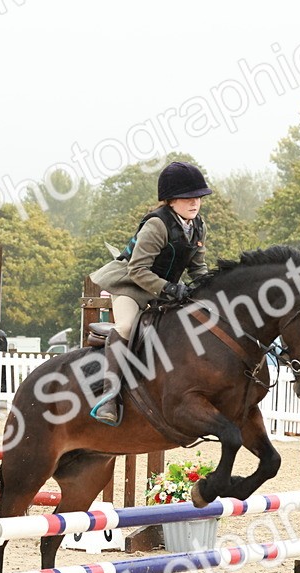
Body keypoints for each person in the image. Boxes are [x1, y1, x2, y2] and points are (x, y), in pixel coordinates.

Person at [88, 161, 212, 424]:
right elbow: (138, 271)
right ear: (170, 200)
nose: (195, 203)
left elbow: (197, 269)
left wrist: (211, 292)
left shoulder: (197, 226)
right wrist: (169, 288)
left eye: (198, 197)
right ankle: (109, 397)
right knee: (126, 326)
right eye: (188, 197)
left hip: (164, 293)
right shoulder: (157, 225)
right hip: (131, 287)